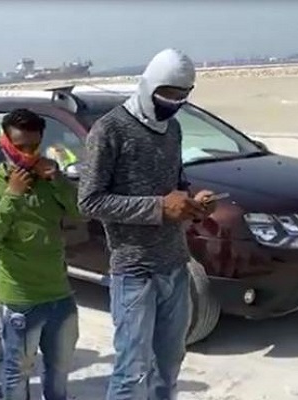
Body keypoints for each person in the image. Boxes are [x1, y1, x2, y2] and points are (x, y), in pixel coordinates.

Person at [76, 49, 216, 400]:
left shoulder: (173, 129)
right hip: (134, 271)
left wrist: (192, 204)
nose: (175, 103)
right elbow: (89, 201)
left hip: (175, 264)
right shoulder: (109, 130)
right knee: (132, 371)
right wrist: (158, 208)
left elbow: (176, 185)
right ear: (148, 85)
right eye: (168, 95)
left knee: (169, 365)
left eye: (183, 96)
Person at [0, 109, 80, 400]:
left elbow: (80, 213)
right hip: (20, 300)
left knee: (59, 369)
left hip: (59, 295)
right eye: (21, 147)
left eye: (34, 146)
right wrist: (12, 195)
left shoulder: (48, 179)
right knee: (17, 372)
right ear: (5, 144)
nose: (28, 154)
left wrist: (58, 179)